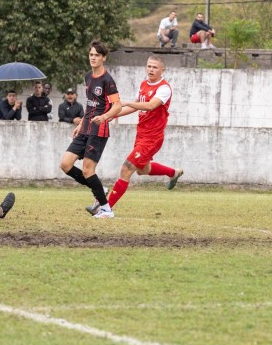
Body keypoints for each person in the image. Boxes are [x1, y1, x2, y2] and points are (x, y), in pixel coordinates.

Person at [89, 55, 183, 216]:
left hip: (152, 137)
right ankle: (173, 173)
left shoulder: (164, 88)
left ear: (162, 70)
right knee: (142, 170)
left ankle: (106, 209)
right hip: (141, 134)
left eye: (154, 67)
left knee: (126, 169)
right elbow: (135, 106)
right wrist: (111, 115)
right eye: (149, 66)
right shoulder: (144, 84)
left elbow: (150, 106)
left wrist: (126, 102)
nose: (151, 70)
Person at [59, 41, 122, 219]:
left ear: (103, 58)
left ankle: (106, 209)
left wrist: (104, 117)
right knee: (65, 164)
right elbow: (90, 105)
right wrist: (80, 124)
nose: (93, 58)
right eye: (91, 55)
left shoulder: (108, 80)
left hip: (99, 130)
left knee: (88, 170)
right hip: (85, 128)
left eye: (97, 55)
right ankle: (99, 189)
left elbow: (117, 106)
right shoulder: (88, 77)